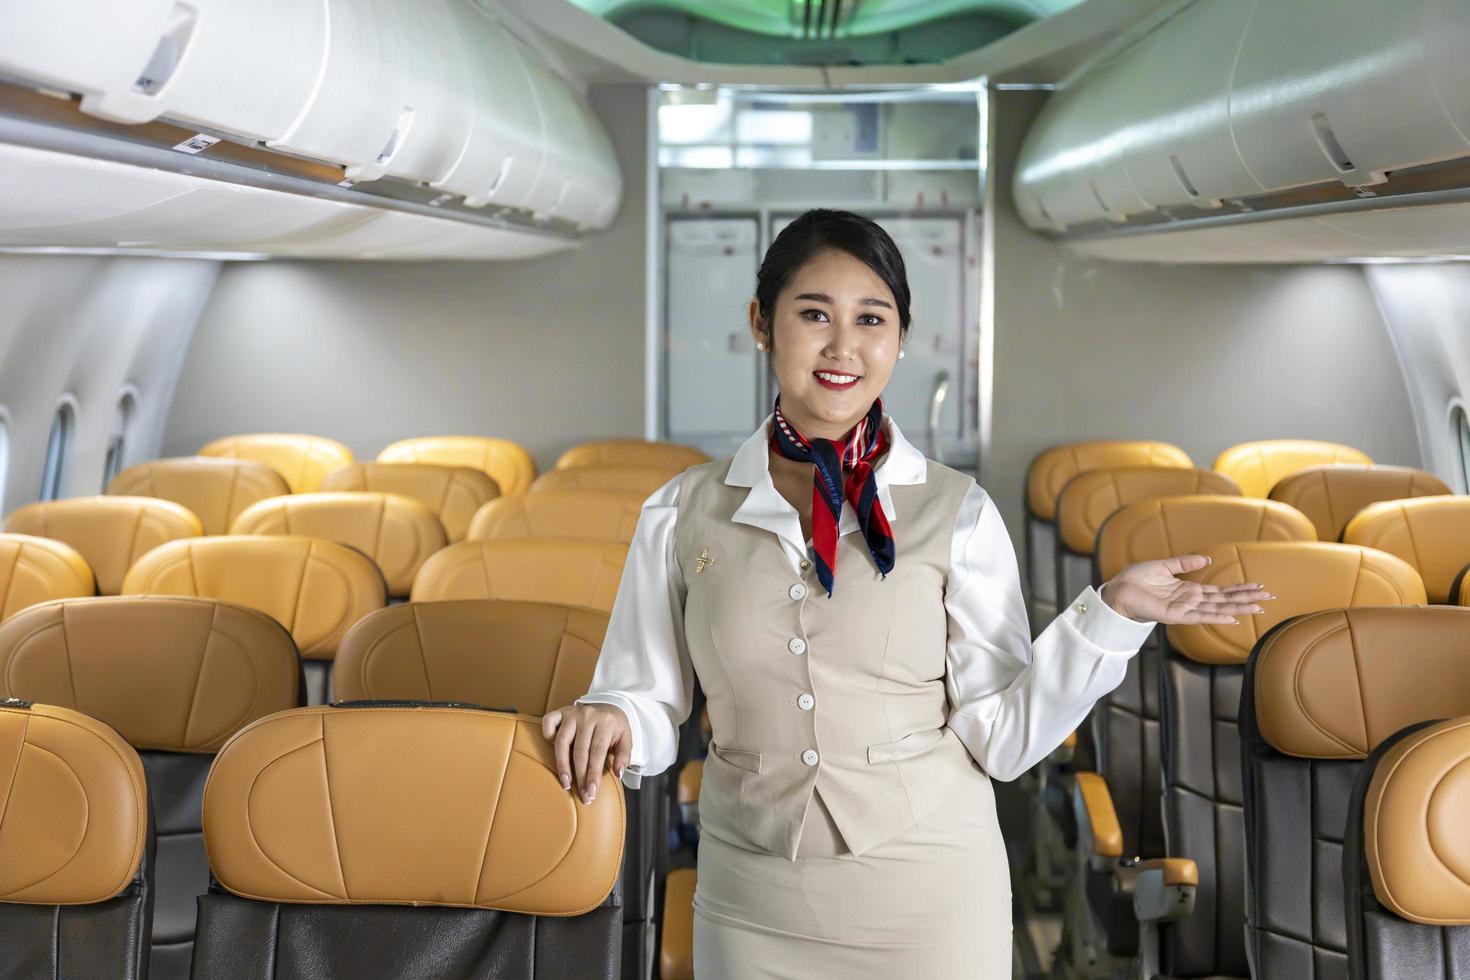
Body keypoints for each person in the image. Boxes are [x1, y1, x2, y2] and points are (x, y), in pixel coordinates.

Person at [541, 208, 1272, 977]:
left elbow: (1004, 736)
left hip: (932, 895)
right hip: (752, 897)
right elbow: (649, 701)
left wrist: (1111, 618)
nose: (842, 347)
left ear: (900, 337)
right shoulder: (680, 511)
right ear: (762, 322)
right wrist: (611, 713)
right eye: (813, 314)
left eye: (871, 319)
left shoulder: (958, 513)